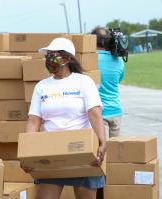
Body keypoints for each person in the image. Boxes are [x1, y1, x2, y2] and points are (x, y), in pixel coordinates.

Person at [22, 38, 106, 199]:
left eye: (54, 54)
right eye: (48, 55)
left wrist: (102, 142)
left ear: (67, 58)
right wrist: (27, 153)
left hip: (81, 150)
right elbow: (33, 120)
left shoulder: (83, 82)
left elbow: (94, 113)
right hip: (51, 152)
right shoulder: (42, 86)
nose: (49, 58)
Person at [91, 27, 125, 139]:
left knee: (101, 152)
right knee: (114, 151)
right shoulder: (119, 61)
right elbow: (119, 79)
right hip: (116, 111)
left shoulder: (91, 60)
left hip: (99, 114)